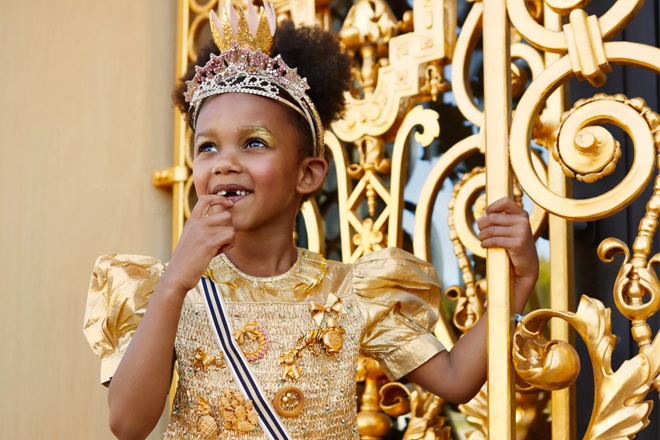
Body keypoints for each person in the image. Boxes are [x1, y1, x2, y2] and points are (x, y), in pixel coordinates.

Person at [83, 4, 539, 440]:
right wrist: (173, 285)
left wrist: (517, 282)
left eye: (254, 143)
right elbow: (128, 424)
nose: (224, 163)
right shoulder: (169, 291)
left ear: (308, 173)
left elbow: (458, 380)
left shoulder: (352, 291)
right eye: (208, 147)